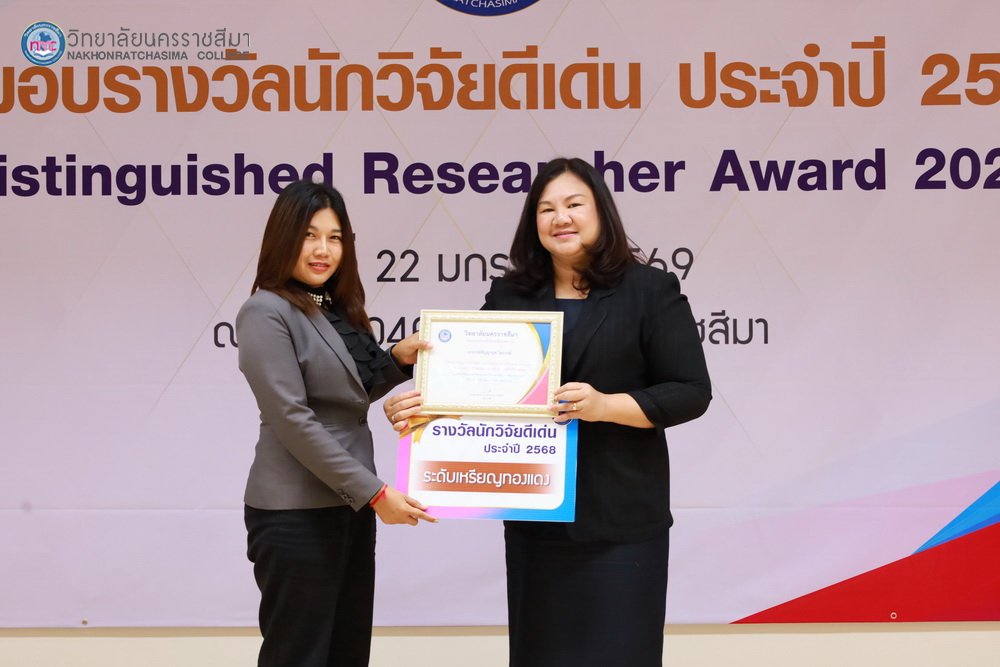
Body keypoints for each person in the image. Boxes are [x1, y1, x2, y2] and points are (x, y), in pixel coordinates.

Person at [383, 157, 711, 666]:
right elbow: (476, 392)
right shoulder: (511, 294)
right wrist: (419, 408)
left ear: (601, 211)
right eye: (546, 208)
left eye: (574, 204)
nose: (561, 217)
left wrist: (605, 406)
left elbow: (691, 391)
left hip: (623, 522)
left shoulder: (649, 289)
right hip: (538, 523)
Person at [236, 179, 436, 667]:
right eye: (309, 235)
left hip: (347, 507)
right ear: (283, 238)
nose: (323, 250)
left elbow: (348, 395)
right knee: (299, 655)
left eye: (335, 237)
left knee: (347, 651)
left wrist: (397, 358)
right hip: (296, 513)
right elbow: (293, 419)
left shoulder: (332, 306)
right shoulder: (265, 311)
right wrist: (375, 493)